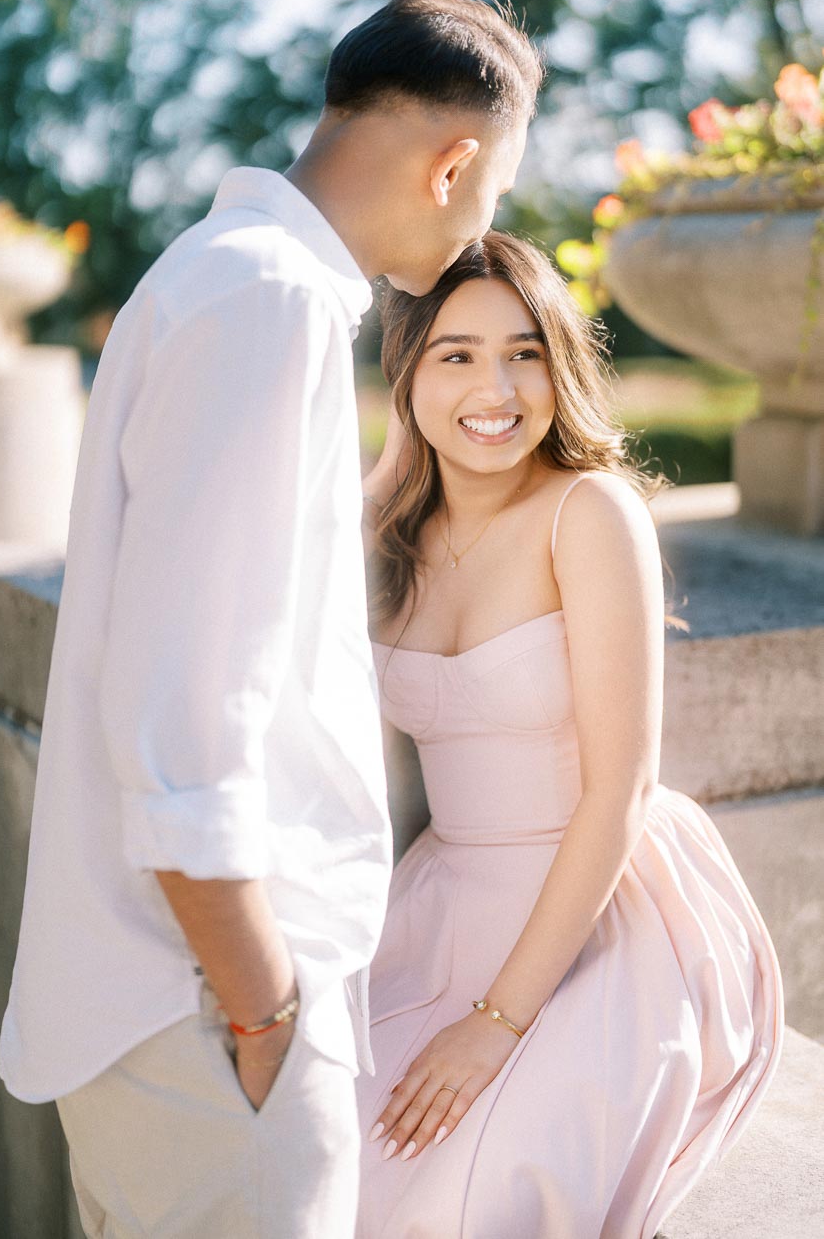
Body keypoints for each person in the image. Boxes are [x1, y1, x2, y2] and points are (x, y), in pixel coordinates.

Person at [0, 0, 542, 1239]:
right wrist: (265, 1017)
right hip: (206, 1012)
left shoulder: (217, 276)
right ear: (455, 161)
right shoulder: (269, 301)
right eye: (495, 192)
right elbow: (188, 721)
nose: (482, 227)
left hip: (174, 1009)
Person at [356, 231, 782, 1238]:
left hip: (609, 903)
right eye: (455, 354)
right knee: (325, 1155)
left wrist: (493, 1028)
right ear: (405, 368)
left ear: (561, 366)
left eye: (526, 351)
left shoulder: (589, 513)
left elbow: (620, 792)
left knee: (482, 1186)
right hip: (440, 903)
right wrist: (388, 465)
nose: (494, 387)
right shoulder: (388, 536)